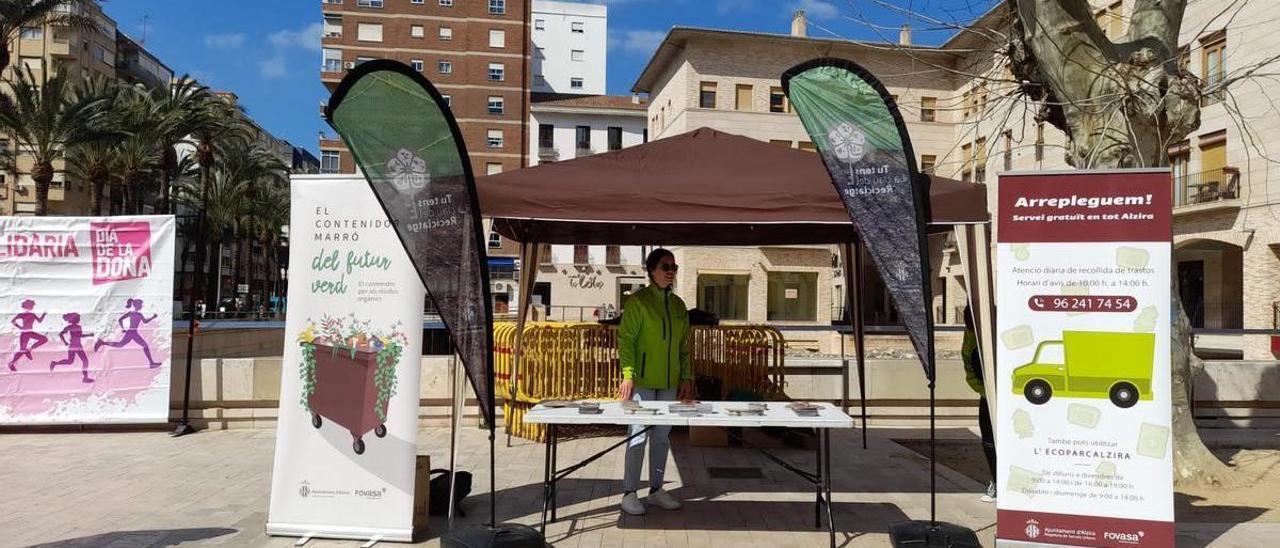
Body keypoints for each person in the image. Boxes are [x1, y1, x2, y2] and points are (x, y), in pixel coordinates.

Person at [616, 248, 693, 516]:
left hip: (670, 382)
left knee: (661, 438)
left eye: (674, 267)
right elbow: (626, 340)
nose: (671, 271)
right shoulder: (638, 302)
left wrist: (687, 376)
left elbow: (684, 346)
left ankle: (657, 489)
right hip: (644, 382)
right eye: (665, 266)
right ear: (651, 271)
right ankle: (629, 493)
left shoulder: (679, 306)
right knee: (638, 436)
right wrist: (628, 374)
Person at [963, 305, 997, 503]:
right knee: (988, 441)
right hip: (987, 395)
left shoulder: (996, 332)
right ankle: (996, 481)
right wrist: (985, 392)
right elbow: (969, 366)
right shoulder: (970, 337)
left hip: (1004, 394)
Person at [94, 298, 163, 368]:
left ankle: (151, 363)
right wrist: (123, 328)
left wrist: (153, 317)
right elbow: (120, 319)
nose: (142, 306)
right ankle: (102, 343)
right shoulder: (132, 313)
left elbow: (145, 322)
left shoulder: (138, 314)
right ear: (137, 305)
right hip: (131, 333)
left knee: (122, 345)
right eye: (141, 305)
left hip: (133, 333)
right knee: (121, 345)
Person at [50, 313, 94, 383]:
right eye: (78, 318)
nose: (79, 320)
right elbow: (61, 334)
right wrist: (65, 342)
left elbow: (80, 335)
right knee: (77, 361)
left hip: (77, 346)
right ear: (75, 319)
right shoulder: (71, 327)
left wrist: (89, 335)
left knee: (76, 361)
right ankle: (55, 363)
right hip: (75, 346)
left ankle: (85, 378)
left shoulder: (77, 327)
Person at [8, 299, 48, 371]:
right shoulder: (23, 314)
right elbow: (12, 321)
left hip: (30, 332)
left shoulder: (32, 314)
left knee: (44, 339)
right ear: (28, 306)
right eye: (32, 305)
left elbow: (39, 321)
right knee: (22, 350)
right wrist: (20, 327)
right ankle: (12, 363)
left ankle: (29, 350)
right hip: (25, 333)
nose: (32, 307)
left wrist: (44, 314)